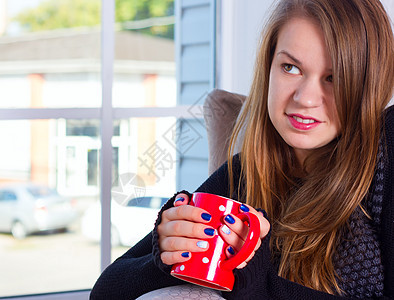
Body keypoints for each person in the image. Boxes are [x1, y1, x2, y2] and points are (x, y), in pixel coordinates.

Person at [90, 0, 394, 299]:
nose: (305, 98)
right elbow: (105, 291)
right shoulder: (246, 172)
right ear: (268, 67)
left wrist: (256, 286)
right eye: (290, 67)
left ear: (369, 82)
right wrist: (168, 255)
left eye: (334, 77)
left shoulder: (386, 148)